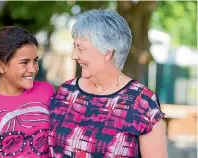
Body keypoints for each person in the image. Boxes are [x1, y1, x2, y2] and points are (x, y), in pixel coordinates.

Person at [48, 9, 168, 158]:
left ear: (107, 52)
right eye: (74, 47)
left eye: (81, 48)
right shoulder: (66, 92)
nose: (74, 56)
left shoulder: (143, 103)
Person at [0, 26, 54, 158]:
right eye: (24, 62)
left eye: (35, 61)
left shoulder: (46, 91)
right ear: (1, 66)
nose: (33, 69)